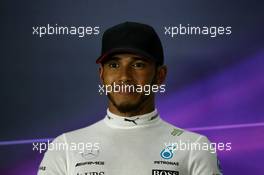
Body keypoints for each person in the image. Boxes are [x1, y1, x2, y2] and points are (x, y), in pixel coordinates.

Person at [38, 21, 222, 175]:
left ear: (160, 76)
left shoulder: (195, 147)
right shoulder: (65, 147)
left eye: (138, 64)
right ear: (102, 74)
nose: (124, 76)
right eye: (114, 64)